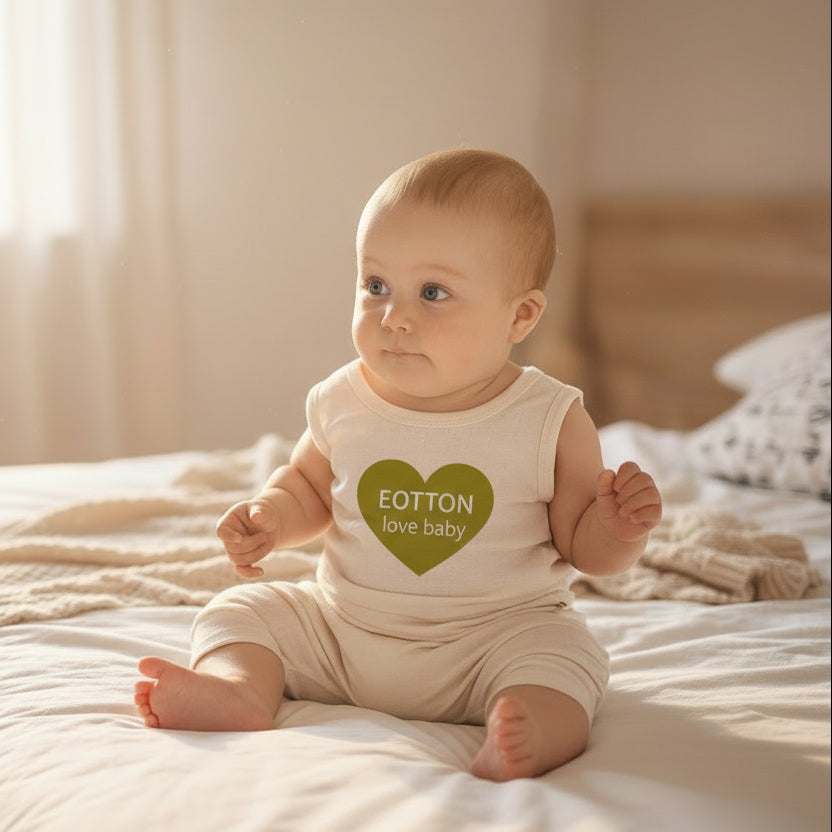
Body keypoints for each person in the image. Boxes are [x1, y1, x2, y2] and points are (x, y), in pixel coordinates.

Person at [134, 148, 662, 781]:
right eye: (375, 285)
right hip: (344, 634)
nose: (395, 317)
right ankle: (239, 689)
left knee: (565, 655)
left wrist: (619, 528)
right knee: (240, 612)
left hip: (492, 641)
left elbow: (585, 547)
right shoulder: (342, 398)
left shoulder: (548, 417)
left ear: (519, 315)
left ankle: (527, 728)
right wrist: (269, 516)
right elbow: (308, 486)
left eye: (433, 293)